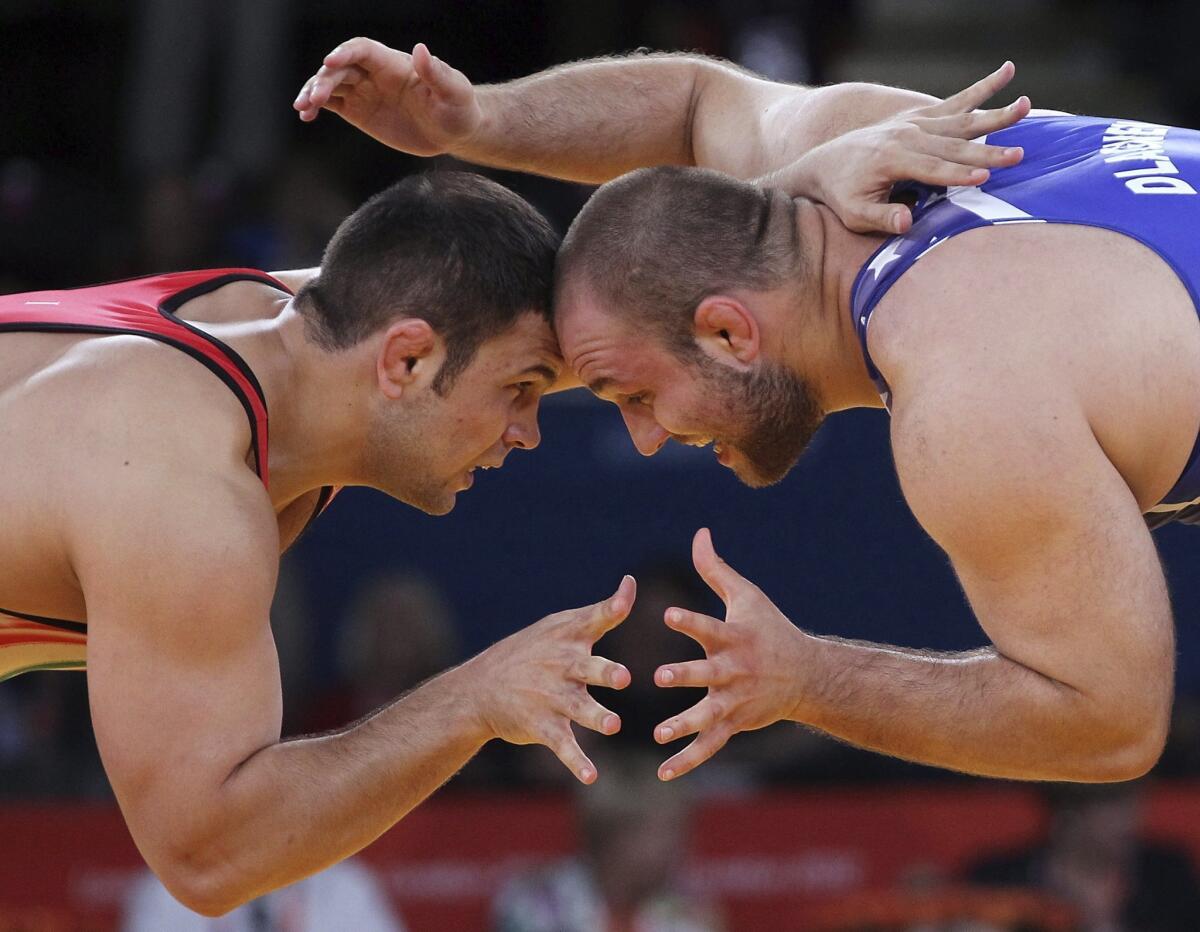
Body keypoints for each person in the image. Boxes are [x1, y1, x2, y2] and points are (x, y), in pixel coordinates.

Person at [297, 41, 1190, 783]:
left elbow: (1110, 722)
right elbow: (695, 104)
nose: (645, 441)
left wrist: (805, 678)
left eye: (635, 396)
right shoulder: (884, 151)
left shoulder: (970, 397)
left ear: (729, 333)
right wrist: (474, 123)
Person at [0, 171, 638, 915]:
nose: (529, 430)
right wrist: (474, 699)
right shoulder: (178, 491)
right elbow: (208, 856)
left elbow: (531, 318)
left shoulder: (304, 315)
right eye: (520, 389)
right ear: (405, 362)